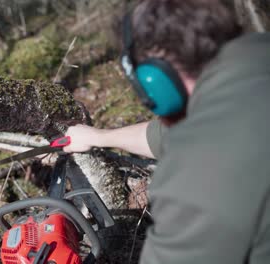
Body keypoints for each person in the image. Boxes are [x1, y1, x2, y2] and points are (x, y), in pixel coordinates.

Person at [63, 0, 270, 263]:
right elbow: (166, 133)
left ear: (154, 82)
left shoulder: (198, 174)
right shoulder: (253, 71)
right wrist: (98, 137)